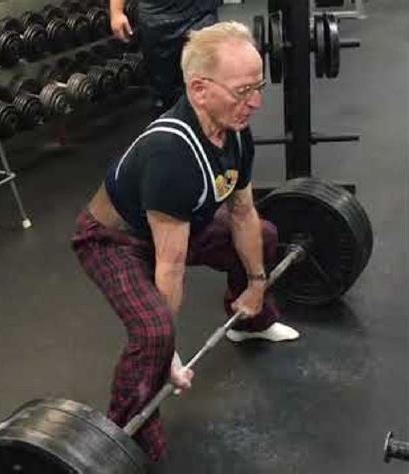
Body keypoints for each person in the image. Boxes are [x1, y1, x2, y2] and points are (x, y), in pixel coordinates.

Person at [72, 21, 299, 463]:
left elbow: (243, 212)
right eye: (242, 91)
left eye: (259, 86)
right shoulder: (170, 154)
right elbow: (170, 264)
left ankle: (250, 323)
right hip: (112, 241)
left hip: (176, 225)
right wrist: (168, 353)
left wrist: (256, 285)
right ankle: (125, 431)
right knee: (154, 330)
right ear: (199, 90)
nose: (255, 102)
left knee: (265, 236)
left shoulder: (234, 129)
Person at [110, 0, 219, 112]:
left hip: (199, 14)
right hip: (157, 19)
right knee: (163, 91)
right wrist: (116, 12)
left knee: (207, 81)